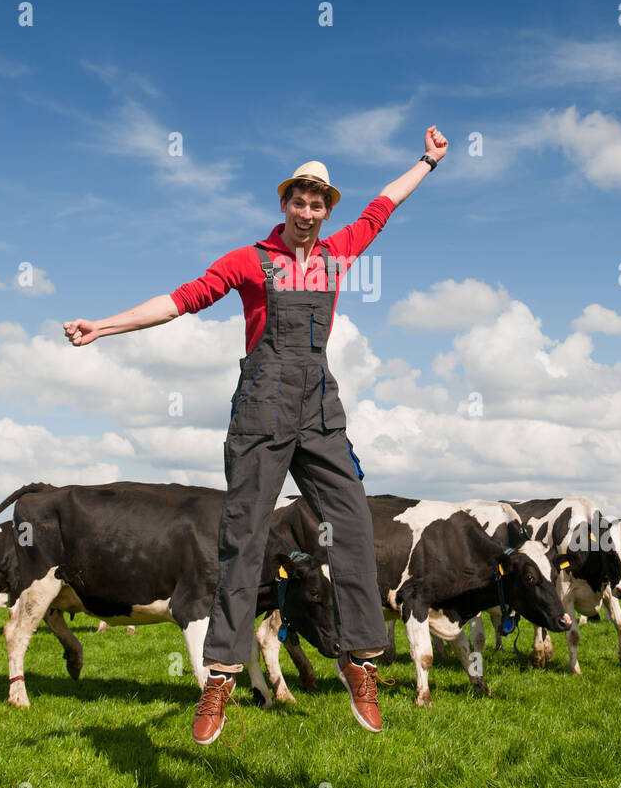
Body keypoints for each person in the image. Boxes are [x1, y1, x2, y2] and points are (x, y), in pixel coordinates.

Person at [64, 125, 449, 743]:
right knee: (242, 536)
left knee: (352, 523)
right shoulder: (250, 260)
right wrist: (104, 328)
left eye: (317, 202)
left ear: (327, 210)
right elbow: (181, 300)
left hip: (320, 410)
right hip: (260, 414)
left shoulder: (338, 251)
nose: (307, 210)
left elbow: (386, 203)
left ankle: (359, 660)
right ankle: (220, 672)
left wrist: (427, 162)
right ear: (284, 205)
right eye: (298, 200)